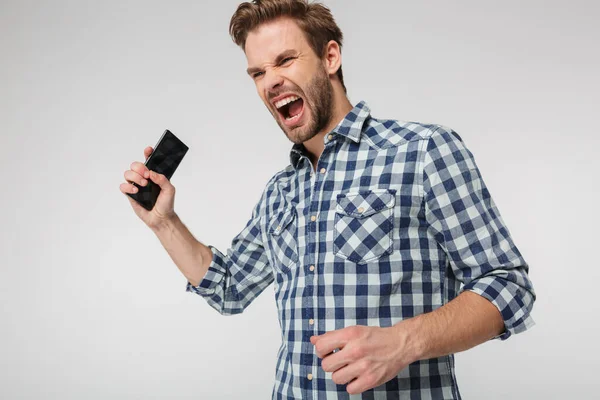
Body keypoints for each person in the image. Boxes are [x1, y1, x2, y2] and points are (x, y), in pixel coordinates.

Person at [119, 0, 536, 398]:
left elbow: (508, 285)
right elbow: (229, 289)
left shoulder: (423, 151)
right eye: (257, 73)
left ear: (330, 57)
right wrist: (163, 222)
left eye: (285, 60)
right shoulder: (279, 191)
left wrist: (401, 342)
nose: (270, 81)